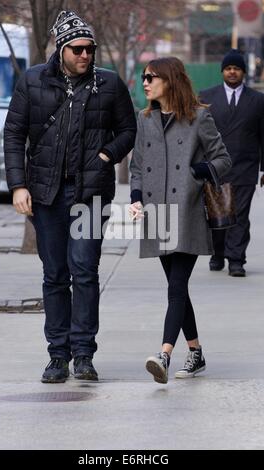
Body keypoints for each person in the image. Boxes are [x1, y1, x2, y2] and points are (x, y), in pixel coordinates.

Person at [4, 10, 136, 383]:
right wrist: (18, 185)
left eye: (89, 49)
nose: (85, 56)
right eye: (78, 49)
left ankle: (83, 354)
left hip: (90, 195)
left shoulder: (108, 85)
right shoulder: (32, 81)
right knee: (55, 275)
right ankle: (57, 355)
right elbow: (13, 135)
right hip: (46, 195)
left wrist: (107, 155)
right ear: (61, 48)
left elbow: (128, 129)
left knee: (85, 270)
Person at [129, 57, 231, 384]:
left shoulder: (199, 117)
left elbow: (223, 160)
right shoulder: (144, 119)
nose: (145, 83)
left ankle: (164, 355)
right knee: (178, 289)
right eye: (144, 78)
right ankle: (197, 352)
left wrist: (196, 173)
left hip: (186, 211)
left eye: (151, 77)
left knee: (176, 286)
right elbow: (136, 166)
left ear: (169, 80)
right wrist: (134, 199)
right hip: (156, 214)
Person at [200, 49, 264, 277]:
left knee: (239, 217)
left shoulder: (258, 100)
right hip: (215, 167)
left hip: (246, 166)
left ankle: (236, 260)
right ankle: (218, 254)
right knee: (218, 215)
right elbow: (197, 134)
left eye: (236, 68)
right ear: (222, 72)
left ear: (243, 72)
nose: (232, 72)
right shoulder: (205, 98)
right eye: (228, 68)